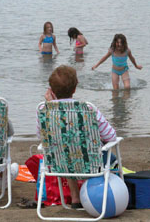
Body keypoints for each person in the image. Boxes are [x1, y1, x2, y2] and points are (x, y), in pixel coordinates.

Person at [37, 65, 117, 209]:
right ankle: (103, 195)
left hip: (60, 165)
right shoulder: (87, 109)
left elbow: (42, 137)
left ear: (51, 90)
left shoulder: (44, 111)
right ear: (74, 89)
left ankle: (75, 198)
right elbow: (111, 136)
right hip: (92, 165)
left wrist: (50, 105)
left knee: (65, 147)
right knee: (109, 157)